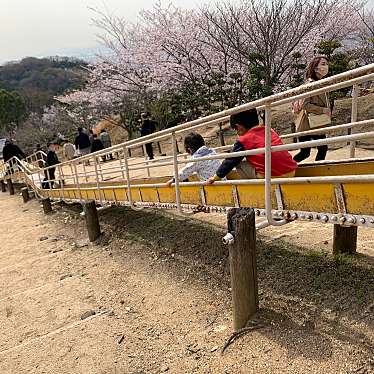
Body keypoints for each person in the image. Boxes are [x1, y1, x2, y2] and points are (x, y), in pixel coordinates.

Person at [206, 108, 297, 184]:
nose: (237, 132)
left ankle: (255, 187)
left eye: (235, 129)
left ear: (239, 127)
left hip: (272, 176)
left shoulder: (243, 140)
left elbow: (230, 161)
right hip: (291, 171)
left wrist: (215, 177)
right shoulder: (268, 129)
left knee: (239, 164)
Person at [293, 56, 331, 163]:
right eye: (323, 64)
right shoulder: (310, 84)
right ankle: (287, 168)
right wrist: (323, 110)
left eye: (326, 64)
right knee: (305, 152)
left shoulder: (320, 83)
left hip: (316, 122)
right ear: (315, 68)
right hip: (307, 123)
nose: (326, 66)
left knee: (321, 149)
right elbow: (305, 104)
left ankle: (318, 172)